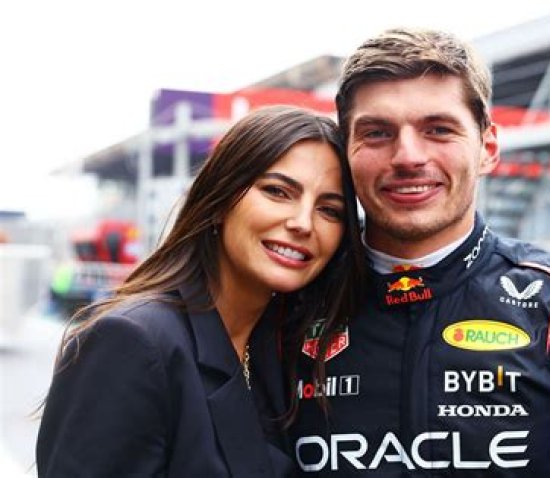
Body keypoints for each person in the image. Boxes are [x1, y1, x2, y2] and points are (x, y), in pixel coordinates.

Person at [289, 28, 550, 476]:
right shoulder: (289, 301)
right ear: (345, 153)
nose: (408, 156)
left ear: (487, 148)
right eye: (377, 133)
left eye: (438, 129)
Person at [36, 105, 365, 477]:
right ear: (221, 200)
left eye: (330, 210)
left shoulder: (280, 349)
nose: (303, 223)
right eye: (277, 192)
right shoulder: (133, 341)